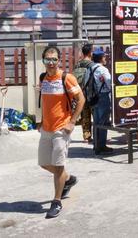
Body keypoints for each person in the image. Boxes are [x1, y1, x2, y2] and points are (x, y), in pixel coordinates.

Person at [37, 46, 85, 219]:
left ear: (59, 60)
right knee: (43, 162)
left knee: (58, 165)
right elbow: (46, 103)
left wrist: (72, 122)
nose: (50, 63)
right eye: (47, 59)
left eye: (54, 59)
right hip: (46, 128)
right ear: (43, 61)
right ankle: (68, 178)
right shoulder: (43, 78)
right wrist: (42, 121)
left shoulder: (67, 78)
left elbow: (81, 99)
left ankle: (56, 202)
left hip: (61, 128)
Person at [91, 48, 113, 155]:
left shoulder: (90, 68)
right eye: (104, 57)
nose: (105, 58)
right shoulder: (103, 70)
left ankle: (96, 145)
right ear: (101, 58)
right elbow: (109, 84)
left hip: (93, 98)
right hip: (103, 97)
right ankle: (102, 145)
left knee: (96, 121)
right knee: (103, 122)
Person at [74, 43, 94, 143]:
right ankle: (99, 137)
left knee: (85, 116)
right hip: (91, 94)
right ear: (90, 52)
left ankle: (86, 137)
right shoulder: (92, 65)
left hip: (80, 94)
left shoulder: (77, 64)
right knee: (96, 116)